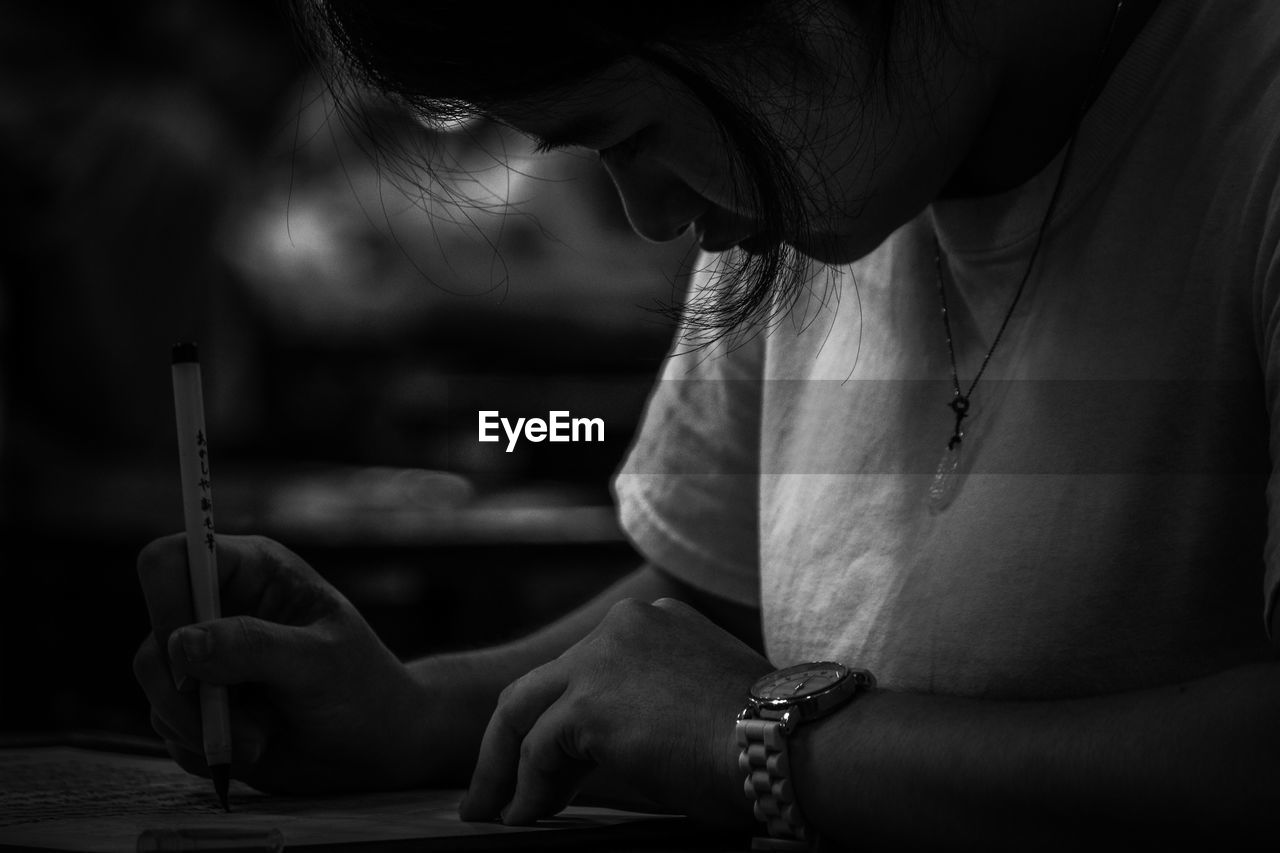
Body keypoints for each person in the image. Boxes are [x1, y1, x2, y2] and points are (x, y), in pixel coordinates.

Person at [133, 0, 1280, 848]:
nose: (651, 215)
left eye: (629, 134)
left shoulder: (1245, 123)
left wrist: (771, 741)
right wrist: (418, 709)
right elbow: (722, 600)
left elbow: (728, 696)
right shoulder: (809, 172)